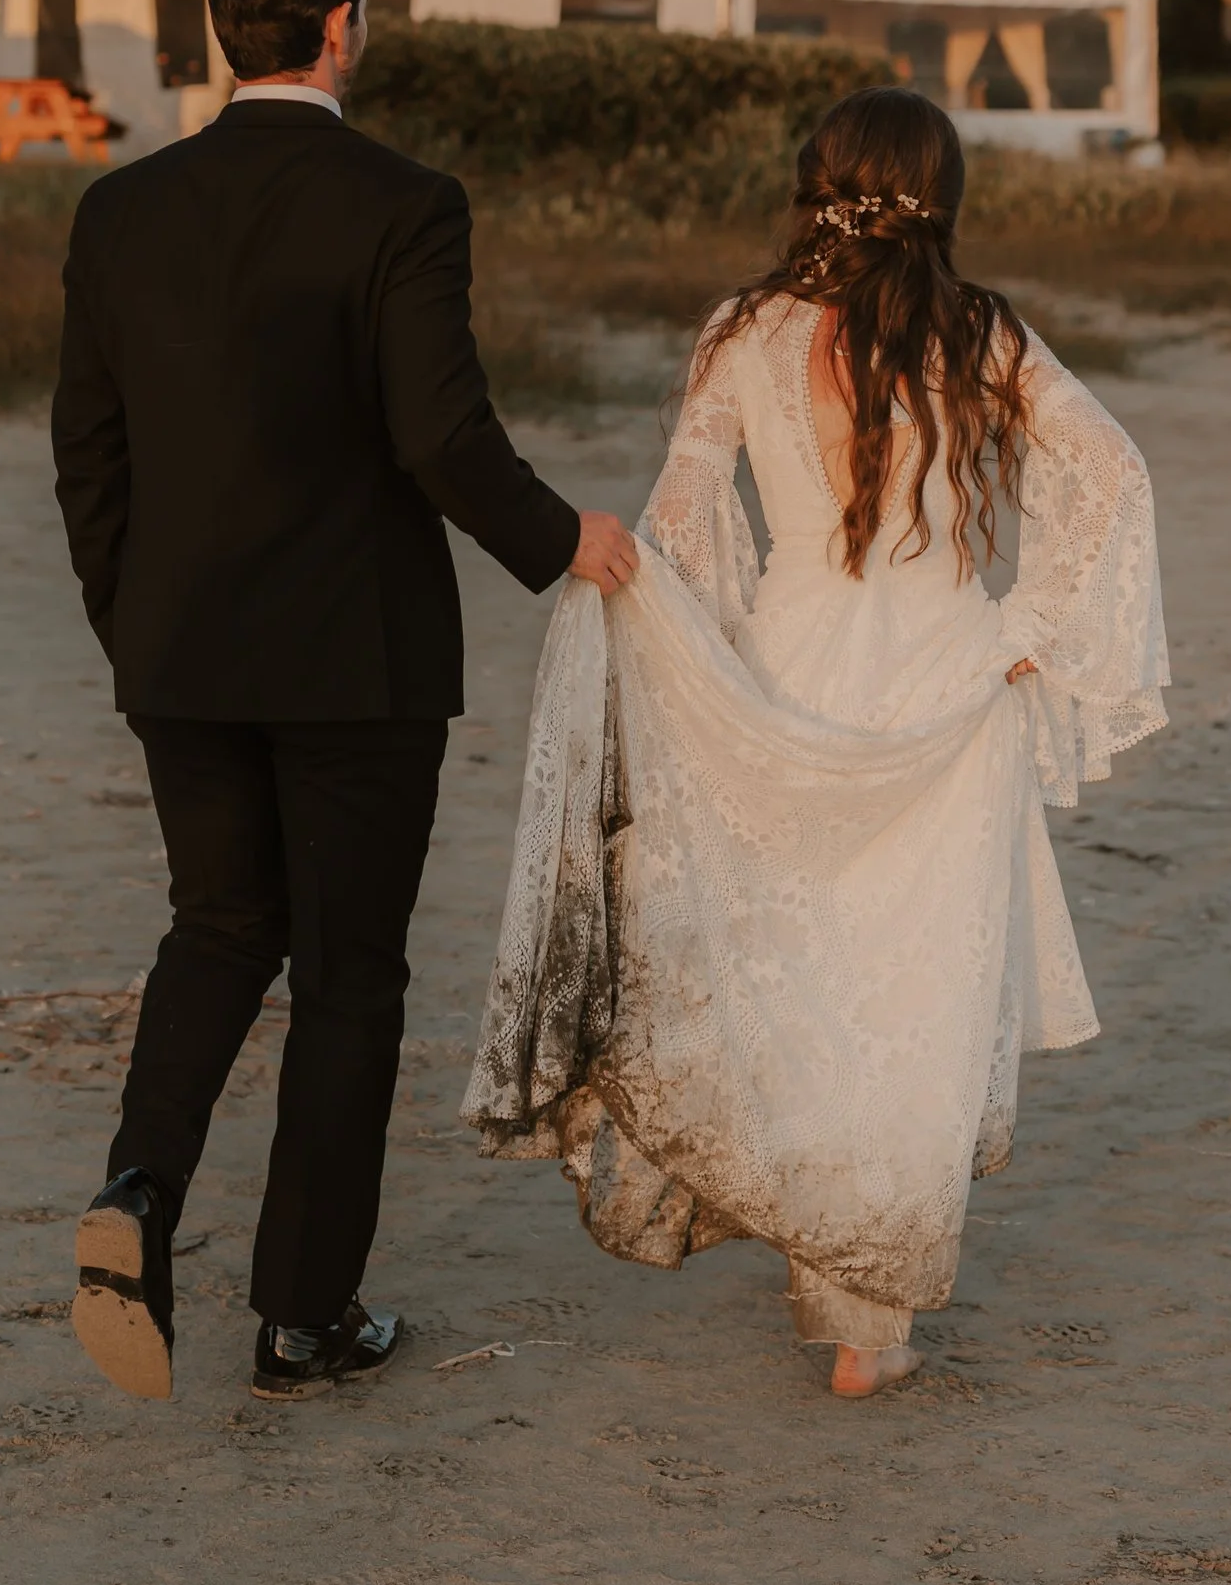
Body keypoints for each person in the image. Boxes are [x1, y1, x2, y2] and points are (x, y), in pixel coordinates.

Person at [465, 86, 1168, 1401]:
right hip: (943, 670)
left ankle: (824, 1261)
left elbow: (682, 517)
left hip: (790, 665)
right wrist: (1031, 624)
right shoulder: (980, 332)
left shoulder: (743, 330)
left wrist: (705, 654)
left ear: (818, 182)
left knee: (796, 964)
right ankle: (867, 1326)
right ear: (940, 196)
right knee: (911, 987)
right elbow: (1113, 472)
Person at [50, 0, 637, 1407]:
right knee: (350, 977)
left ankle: (139, 1187)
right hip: (355, 660)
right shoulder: (403, 202)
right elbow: (436, 432)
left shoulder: (120, 211)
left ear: (216, 29)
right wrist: (565, 538)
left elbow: (88, 451)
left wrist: (136, 624)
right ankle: (305, 1315)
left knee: (217, 927)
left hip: (180, 646)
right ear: (341, 25)